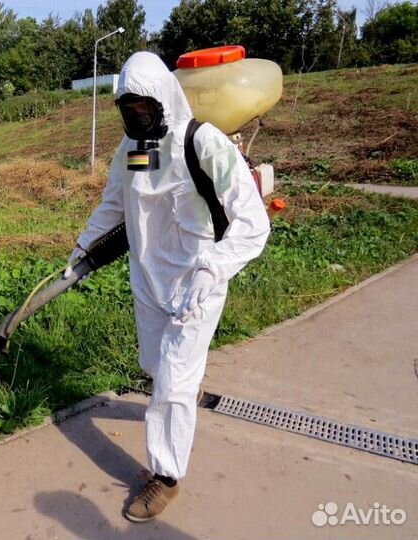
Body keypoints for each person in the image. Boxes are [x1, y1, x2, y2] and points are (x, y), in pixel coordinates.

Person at [67, 51, 270, 522]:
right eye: (130, 111)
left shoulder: (204, 144)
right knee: (155, 366)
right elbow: (114, 205)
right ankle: (185, 390)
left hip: (196, 283)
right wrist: (82, 249)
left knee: (173, 383)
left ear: (164, 100)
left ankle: (166, 475)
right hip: (149, 280)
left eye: (146, 109)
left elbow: (253, 222)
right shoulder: (133, 149)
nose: (138, 119)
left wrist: (214, 268)